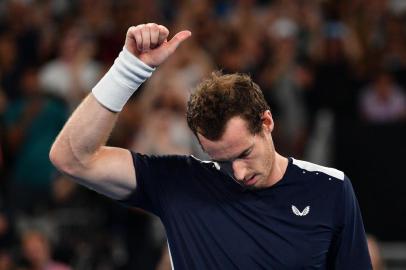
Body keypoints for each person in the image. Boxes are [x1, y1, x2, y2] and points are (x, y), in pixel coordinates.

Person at [50, 23, 372, 269]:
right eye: (221, 160)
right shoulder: (179, 182)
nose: (238, 172)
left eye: (244, 153)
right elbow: (72, 158)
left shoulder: (330, 189)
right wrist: (128, 69)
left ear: (267, 123)